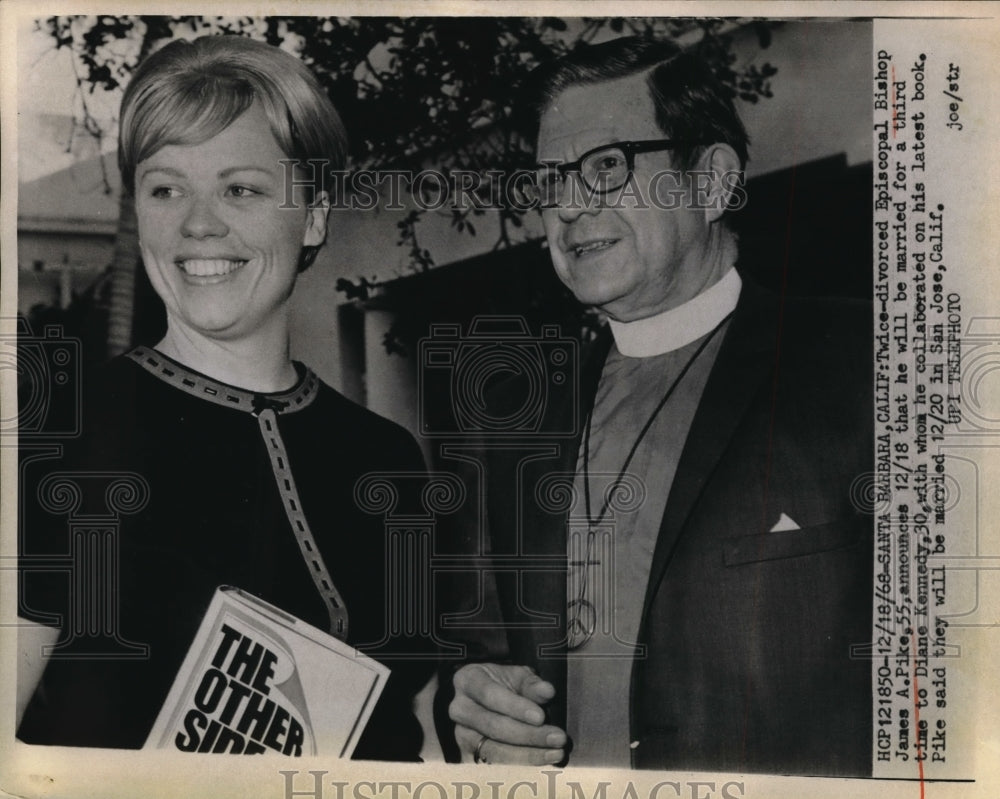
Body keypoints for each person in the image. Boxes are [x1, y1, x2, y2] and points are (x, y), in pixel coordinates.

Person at [441, 36, 873, 775]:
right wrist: (479, 706)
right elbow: (485, 658)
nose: (571, 206)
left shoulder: (868, 358)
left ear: (710, 182)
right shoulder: (514, 421)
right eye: (550, 181)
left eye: (607, 167)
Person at [17, 34, 430, 760]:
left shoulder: (385, 457)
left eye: (240, 187)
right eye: (166, 187)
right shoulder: (58, 433)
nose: (197, 223)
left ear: (314, 215)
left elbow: (418, 727)